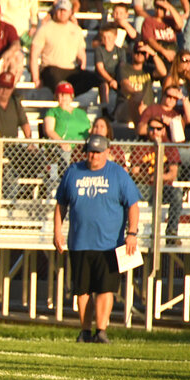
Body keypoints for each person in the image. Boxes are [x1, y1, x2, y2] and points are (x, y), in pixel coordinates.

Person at [54, 134, 141, 344]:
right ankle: (85, 331)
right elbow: (61, 204)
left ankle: (101, 331)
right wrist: (57, 231)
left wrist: (132, 233)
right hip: (80, 241)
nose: (93, 156)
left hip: (109, 244)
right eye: (90, 152)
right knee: (82, 290)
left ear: (107, 152)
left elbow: (133, 205)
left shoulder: (117, 174)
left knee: (105, 288)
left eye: (97, 152)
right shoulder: (73, 172)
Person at [30, 0, 99, 97]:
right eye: (60, 10)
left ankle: (68, 97)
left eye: (65, 10)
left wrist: (82, 64)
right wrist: (36, 78)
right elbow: (34, 54)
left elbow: (81, 52)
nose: (62, 13)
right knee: (55, 78)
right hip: (51, 68)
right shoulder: (45, 29)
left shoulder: (76, 30)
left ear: (70, 12)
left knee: (94, 78)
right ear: (55, 11)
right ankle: (64, 97)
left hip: (70, 68)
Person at [130, 116, 183, 244]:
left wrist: (158, 177)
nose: (155, 131)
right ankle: (130, 229)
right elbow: (134, 172)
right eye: (151, 128)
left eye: (158, 128)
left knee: (177, 194)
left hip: (164, 188)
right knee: (129, 193)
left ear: (164, 130)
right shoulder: (141, 146)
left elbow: (172, 174)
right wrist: (147, 177)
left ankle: (171, 232)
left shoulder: (169, 147)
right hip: (145, 187)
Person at [116, 41, 165, 125]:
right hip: (126, 107)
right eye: (137, 51)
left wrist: (153, 54)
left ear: (146, 55)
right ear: (132, 53)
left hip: (146, 109)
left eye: (142, 52)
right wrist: (136, 95)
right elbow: (125, 84)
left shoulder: (148, 69)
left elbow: (163, 72)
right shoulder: (124, 68)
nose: (139, 54)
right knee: (136, 102)